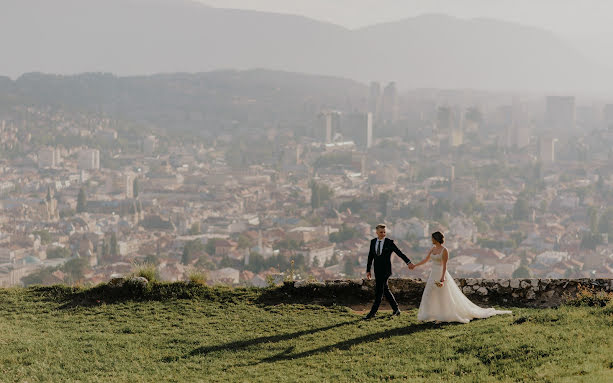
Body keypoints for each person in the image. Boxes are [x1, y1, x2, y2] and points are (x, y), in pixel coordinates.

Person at [412, 231, 512, 323]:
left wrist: (442, 278)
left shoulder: (444, 250)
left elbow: (445, 265)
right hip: (432, 274)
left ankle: (443, 315)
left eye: (432, 238)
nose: (431, 240)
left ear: (436, 239)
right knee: (429, 293)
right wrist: (415, 265)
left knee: (443, 295)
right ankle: (429, 314)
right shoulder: (433, 249)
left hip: (440, 273)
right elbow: (426, 260)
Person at [364, 224, 415, 320]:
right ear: (376, 232)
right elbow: (370, 257)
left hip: (386, 271)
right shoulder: (373, 242)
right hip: (377, 270)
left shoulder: (389, 242)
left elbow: (399, 253)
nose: (383, 234)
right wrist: (368, 270)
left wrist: (408, 262)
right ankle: (396, 309)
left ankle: (372, 313)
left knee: (379, 291)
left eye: (384, 232)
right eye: (381, 232)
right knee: (386, 290)